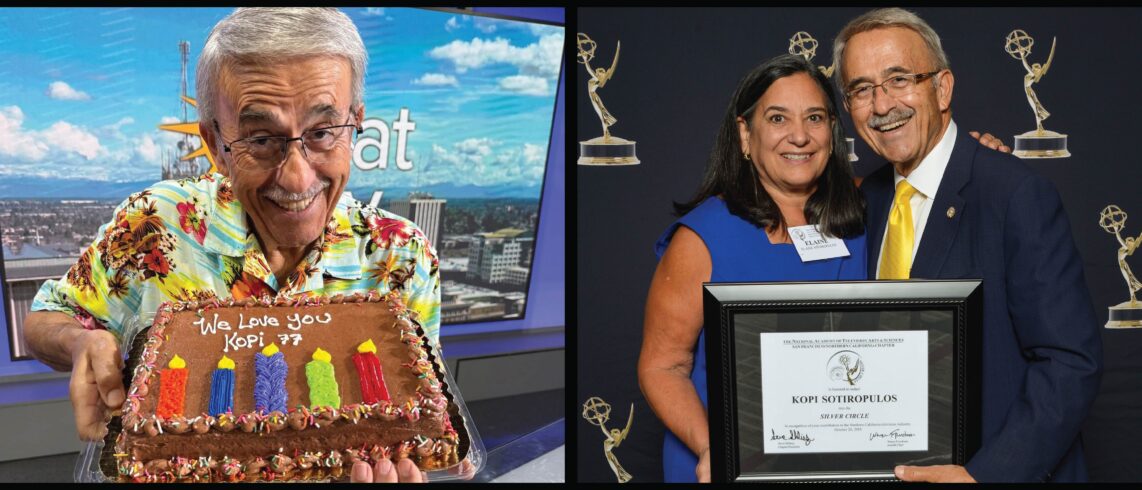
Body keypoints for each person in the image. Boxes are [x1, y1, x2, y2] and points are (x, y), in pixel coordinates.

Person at [22, 7, 439, 483]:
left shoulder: (401, 255)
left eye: (322, 133)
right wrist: (80, 343)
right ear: (215, 143)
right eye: (261, 139)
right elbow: (46, 318)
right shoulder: (155, 225)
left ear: (356, 123)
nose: (298, 176)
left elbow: (423, 410)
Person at [833, 7, 1102, 482]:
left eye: (899, 80)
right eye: (861, 89)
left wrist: (986, 476)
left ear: (942, 88)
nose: (880, 105)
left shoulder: (1014, 194)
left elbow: (1069, 362)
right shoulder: (867, 201)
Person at [638, 54, 868, 483]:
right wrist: (713, 448)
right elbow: (662, 366)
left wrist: (980, 155)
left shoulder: (868, 214)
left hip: (840, 460)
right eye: (778, 118)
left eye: (814, 117)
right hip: (727, 465)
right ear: (745, 134)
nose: (799, 136)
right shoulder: (703, 237)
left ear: (832, 132)